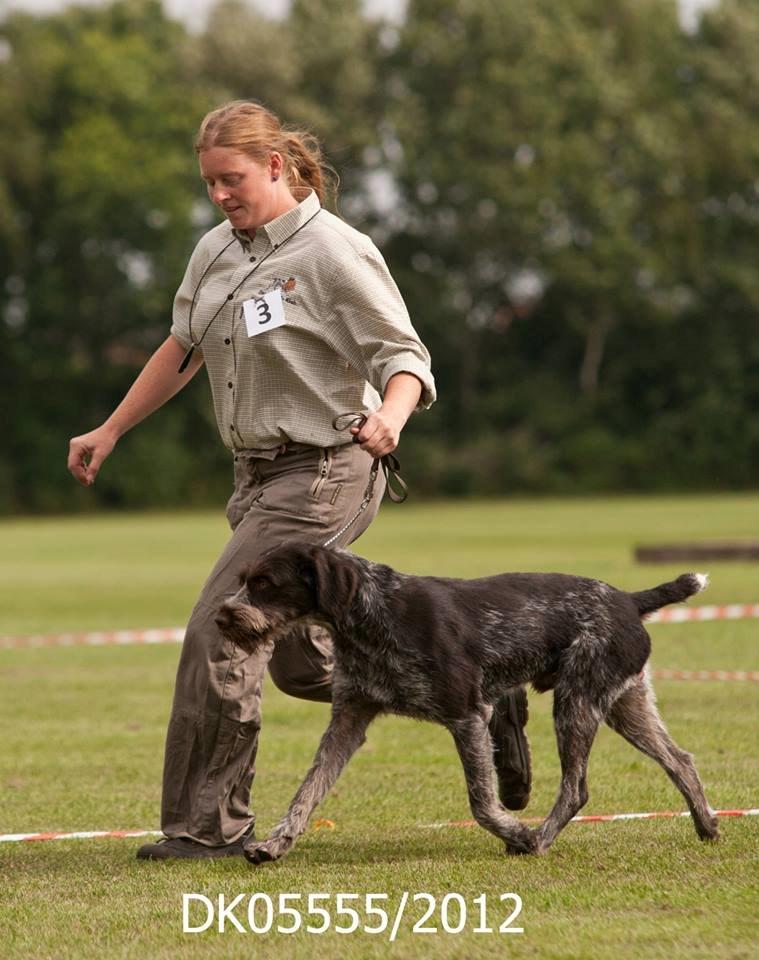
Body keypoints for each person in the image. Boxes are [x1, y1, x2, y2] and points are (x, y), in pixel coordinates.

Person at [67, 100, 530, 860]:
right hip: (254, 477)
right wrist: (111, 428)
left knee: (222, 627)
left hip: (324, 469)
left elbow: (404, 357)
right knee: (299, 659)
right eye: (209, 182)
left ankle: (209, 830)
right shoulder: (215, 250)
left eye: (233, 179)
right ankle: (480, 685)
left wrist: (392, 416)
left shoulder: (333, 251)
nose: (220, 195)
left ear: (276, 166)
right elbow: (182, 348)